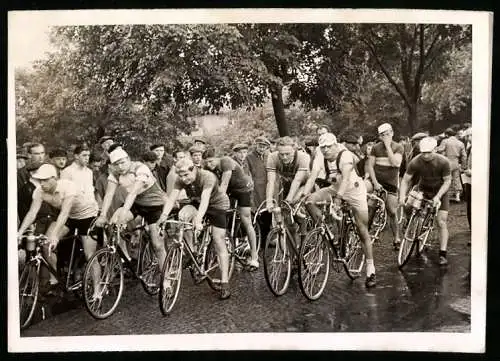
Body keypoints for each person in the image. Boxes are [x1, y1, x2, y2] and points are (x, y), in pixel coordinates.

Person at [302, 133, 377, 288]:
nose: (326, 150)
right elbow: (312, 177)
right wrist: (304, 194)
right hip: (335, 188)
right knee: (309, 201)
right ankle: (325, 230)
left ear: (336, 145)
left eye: (329, 146)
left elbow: (347, 178)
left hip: (354, 191)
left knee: (362, 229)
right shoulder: (319, 156)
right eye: (323, 147)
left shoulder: (345, 155)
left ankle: (370, 269)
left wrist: (338, 200)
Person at [17, 164, 100, 296]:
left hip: (87, 216)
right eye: (40, 180)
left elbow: (64, 212)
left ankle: (97, 291)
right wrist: (19, 233)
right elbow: (32, 213)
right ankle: (55, 279)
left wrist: (55, 235)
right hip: (70, 218)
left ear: (54, 178)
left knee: (89, 255)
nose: (42, 183)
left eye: (45, 180)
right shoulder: (39, 191)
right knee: (46, 244)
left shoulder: (67, 186)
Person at [157, 158, 232, 299]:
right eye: (180, 175)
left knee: (218, 240)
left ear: (194, 169)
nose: (183, 179)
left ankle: (225, 282)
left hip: (217, 205)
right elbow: (171, 198)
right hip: (197, 203)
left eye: (186, 175)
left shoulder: (207, 176)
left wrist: (198, 220)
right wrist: (163, 215)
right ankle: (192, 251)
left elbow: (205, 199)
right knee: (182, 216)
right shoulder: (180, 179)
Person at [95, 147, 167, 271]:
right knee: (113, 222)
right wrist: (102, 215)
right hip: (136, 203)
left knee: (157, 245)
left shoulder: (140, 168)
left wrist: (123, 215)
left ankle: (166, 278)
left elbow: (133, 193)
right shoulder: (116, 173)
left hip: (154, 205)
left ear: (128, 159)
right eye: (116, 164)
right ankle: (121, 258)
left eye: (123, 162)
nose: (121, 167)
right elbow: (109, 194)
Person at [399, 137, 452, 266]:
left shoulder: (443, 162)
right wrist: (402, 197)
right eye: (423, 153)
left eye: (429, 152)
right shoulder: (416, 161)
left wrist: (438, 196)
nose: (426, 155)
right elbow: (406, 180)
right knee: (408, 204)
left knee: (441, 221)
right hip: (423, 188)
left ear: (435, 149)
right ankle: (409, 221)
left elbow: (447, 181)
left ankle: (442, 253)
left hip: (440, 191)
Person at [203, 148, 258, 269]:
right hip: (230, 191)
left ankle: (254, 256)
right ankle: (228, 243)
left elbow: (224, 184)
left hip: (242, 189)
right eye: (206, 162)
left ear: (217, 158)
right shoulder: (207, 167)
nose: (209, 164)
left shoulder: (225, 161)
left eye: (211, 161)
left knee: (245, 219)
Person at [366, 123, 404, 249]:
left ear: (392, 133)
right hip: (377, 181)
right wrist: (375, 183)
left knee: (392, 211)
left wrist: (388, 147)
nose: (385, 137)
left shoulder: (398, 147)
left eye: (387, 134)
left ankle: (397, 238)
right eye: (382, 135)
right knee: (370, 206)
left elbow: (395, 163)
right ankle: (366, 233)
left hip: (391, 184)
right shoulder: (375, 148)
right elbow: (370, 166)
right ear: (379, 136)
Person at [265, 136, 310, 210]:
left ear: (294, 150)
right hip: (287, 183)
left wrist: (288, 201)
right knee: (279, 207)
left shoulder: (304, 157)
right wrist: (269, 201)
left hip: (303, 183)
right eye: (281, 154)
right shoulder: (272, 157)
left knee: (293, 202)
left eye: (287, 154)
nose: (284, 157)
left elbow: (297, 181)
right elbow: (271, 181)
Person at [246, 136, 272, 245]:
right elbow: (247, 173)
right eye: (260, 146)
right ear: (256, 145)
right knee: (256, 215)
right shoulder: (249, 157)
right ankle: (255, 241)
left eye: (264, 146)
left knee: (267, 214)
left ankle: (265, 241)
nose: (262, 148)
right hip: (255, 190)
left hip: (267, 189)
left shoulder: (269, 156)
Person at [437, 128, 467, 202]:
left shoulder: (445, 141)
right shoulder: (460, 143)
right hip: (456, 163)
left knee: (446, 180)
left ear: (447, 134)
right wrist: (463, 166)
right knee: (456, 179)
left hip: (447, 163)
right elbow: (464, 156)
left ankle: (444, 196)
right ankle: (457, 197)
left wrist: (436, 148)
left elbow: (440, 149)